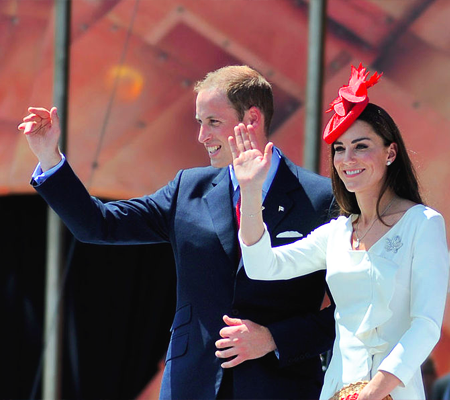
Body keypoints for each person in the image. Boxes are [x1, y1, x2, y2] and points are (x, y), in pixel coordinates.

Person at [18, 65, 336, 399]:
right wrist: (48, 157)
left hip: (281, 387)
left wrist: (272, 338)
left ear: (252, 120)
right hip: (191, 385)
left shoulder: (319, 198)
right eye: (200, 123)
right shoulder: (188, 189)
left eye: (213, 122)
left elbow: (349, 309)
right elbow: (98, 225)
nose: (202, 136)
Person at [233, 64, 449, 400]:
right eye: (339, 148)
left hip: (394, 392)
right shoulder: (336, 233)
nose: (347, 158)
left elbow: (426, 325)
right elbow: (263, 267)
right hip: (336, 391)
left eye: (361, 146)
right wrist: (249, 192)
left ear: (391, 152)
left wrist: (373, 393)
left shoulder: (423, 223)